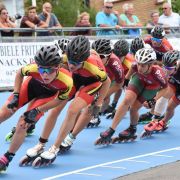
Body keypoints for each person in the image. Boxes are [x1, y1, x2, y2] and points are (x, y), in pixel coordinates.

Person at [20, 35, 110, 167]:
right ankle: (41, 144)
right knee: (56, 108)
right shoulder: (64, 58)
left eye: (76, 63)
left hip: (93, 82)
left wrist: (99, 102)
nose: (72, 65)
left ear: (84, 60)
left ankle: (55, 147)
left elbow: (106, 81)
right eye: (70, 61)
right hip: (76, 78)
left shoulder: (92, 67)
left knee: (73, 110)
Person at [0, 45, 74, 172]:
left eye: (49, 70)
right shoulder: (33, 67)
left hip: (47, 96)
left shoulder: (67, 81)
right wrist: (16, 94)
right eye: (41, 70)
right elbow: (19, 73)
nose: (45, 74)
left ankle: (7, 158)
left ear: (57, 67)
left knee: (23, 123)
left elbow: (59, 100)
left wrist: (38, 110)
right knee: (3, 113)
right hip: (30, 87)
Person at [95, 48, 168, 145]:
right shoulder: (135, 65)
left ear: (150, 65)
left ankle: (132, 128)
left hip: (152, 86)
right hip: (139, 80)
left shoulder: (158, 73)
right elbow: (128, 75)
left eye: (143, 65)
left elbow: (165, 89)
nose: (139, 67)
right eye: (138, 64)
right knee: (126, 101)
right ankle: (111, 129)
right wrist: (126, 82)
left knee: (134, 108)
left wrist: (154, 99)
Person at [86, 38, 125, 127]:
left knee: (101, 96)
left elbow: (119, 84)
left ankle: (96, 115)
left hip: (111, 78)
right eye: (96, 55)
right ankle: (94, 113)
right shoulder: (89, 58)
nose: (98, 59)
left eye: (101, 57)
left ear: (109, 56)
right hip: (99, 75)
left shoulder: (115, 64)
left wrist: (104, 95)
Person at [141, 50, 180, 137]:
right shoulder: (165, 69)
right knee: (165, 97)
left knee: (170, 106)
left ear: (176, 65)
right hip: (175, 82)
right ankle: (156, 121)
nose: (167, 71)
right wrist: (153, 99)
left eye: (169, 69)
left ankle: (163, 121)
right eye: (165, 67)